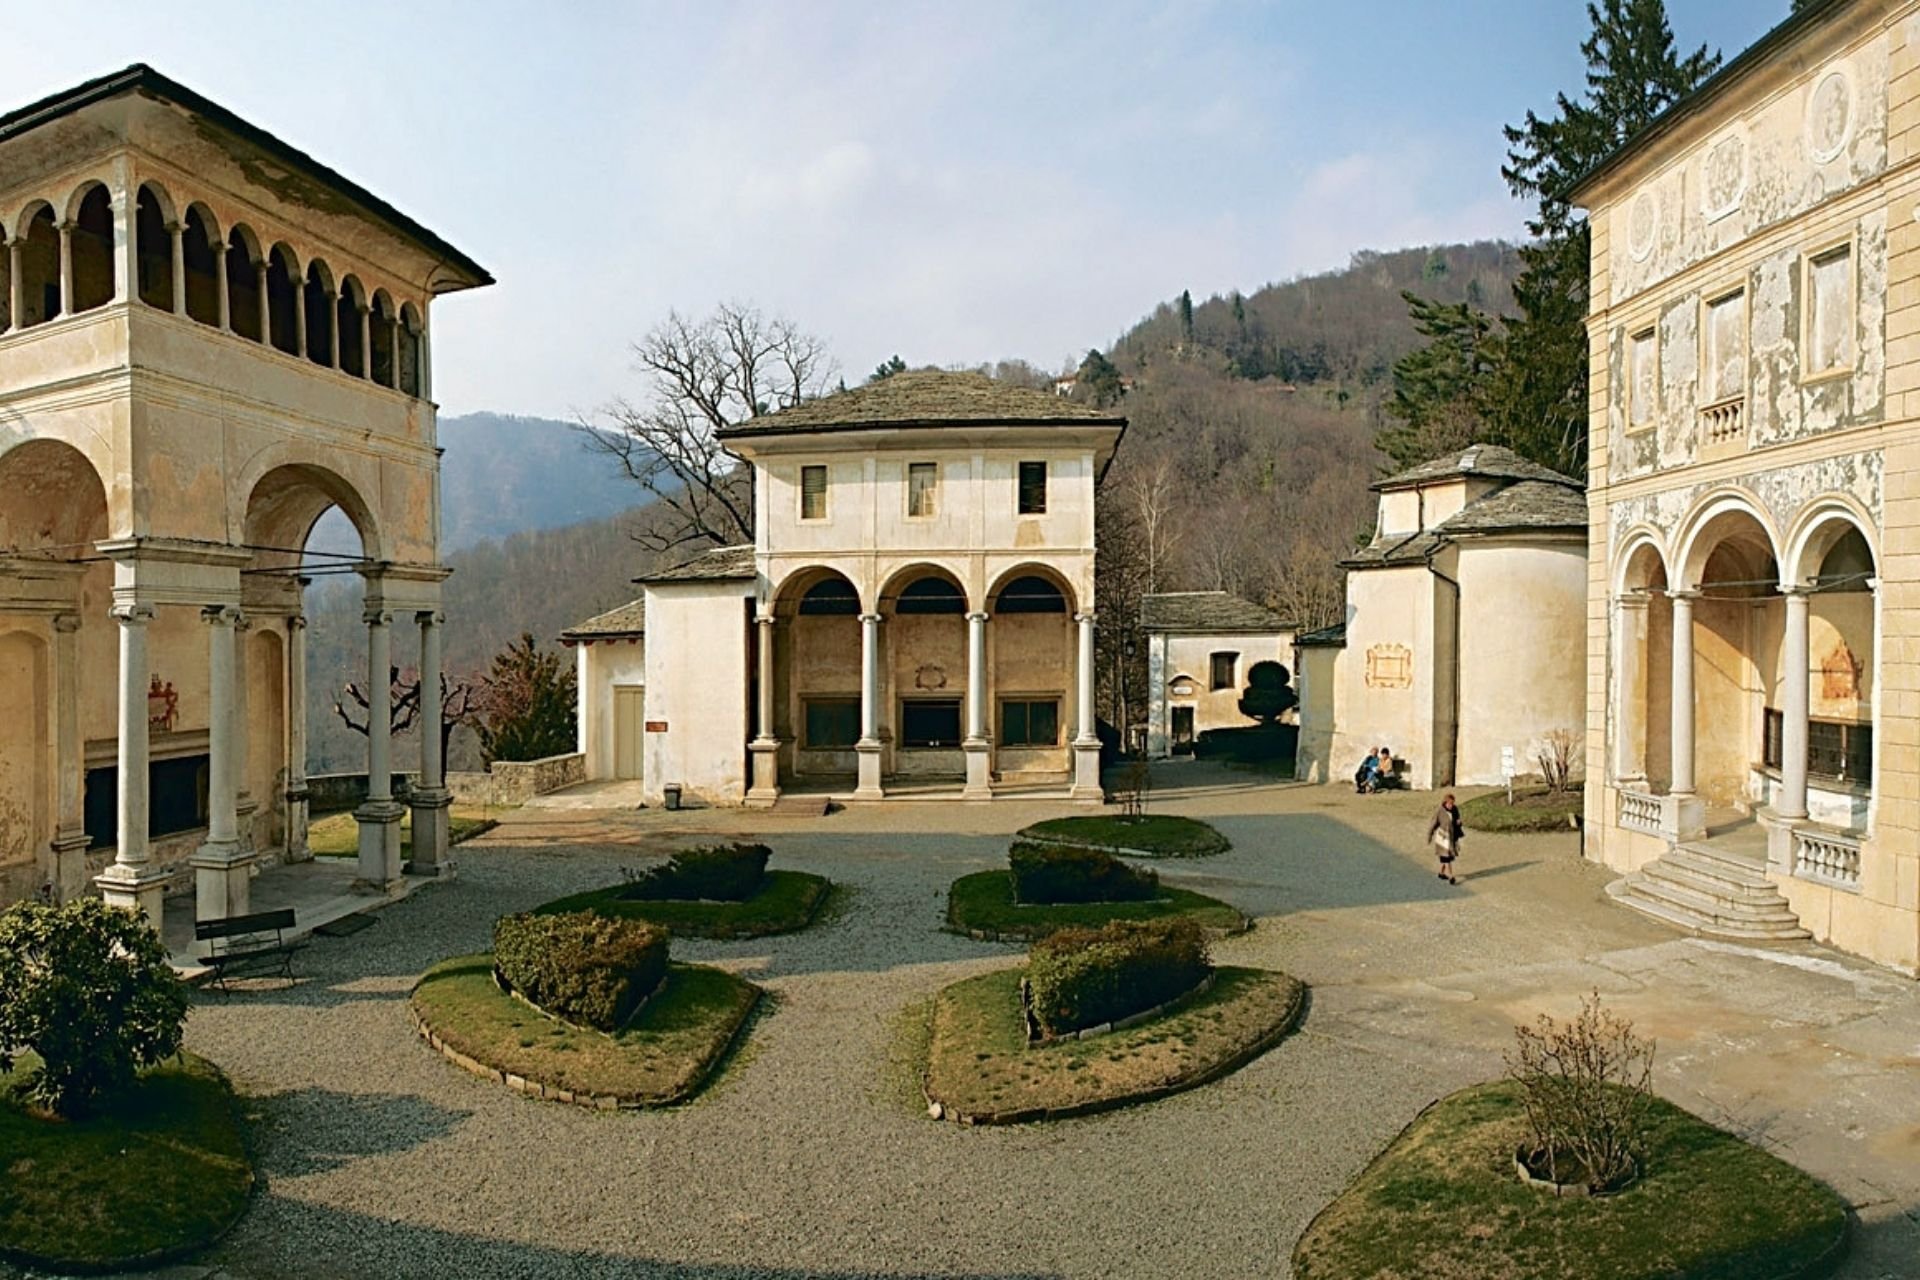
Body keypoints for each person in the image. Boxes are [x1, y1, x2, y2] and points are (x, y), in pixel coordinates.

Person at [1427, 792, 1464, 885]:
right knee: (1446, 857)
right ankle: (1451, 876)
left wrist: (1459, 823)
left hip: (1451, 837)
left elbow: (1457, 820)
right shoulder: (1440, 811)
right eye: (1450, 803)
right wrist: (1429, 835)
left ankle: (1441, 873)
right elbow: (1433, 824)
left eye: (1452, 803)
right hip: (1442, 837)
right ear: (1445, 802)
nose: (1451, 805)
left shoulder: (1455, 809)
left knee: (1448, 856)